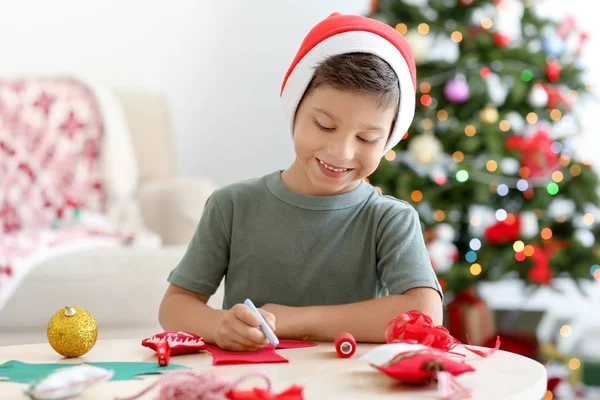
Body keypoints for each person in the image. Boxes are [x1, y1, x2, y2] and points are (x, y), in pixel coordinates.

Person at [159, 12, 443, 352]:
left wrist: (295, 320)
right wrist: (221, 326)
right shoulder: (231, 205)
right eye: (324, 125)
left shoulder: (390, 220)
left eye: (367, 138)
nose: (341, 151)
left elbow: (424, 314)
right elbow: (174, 306)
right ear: (294, 110)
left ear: (389, 141)